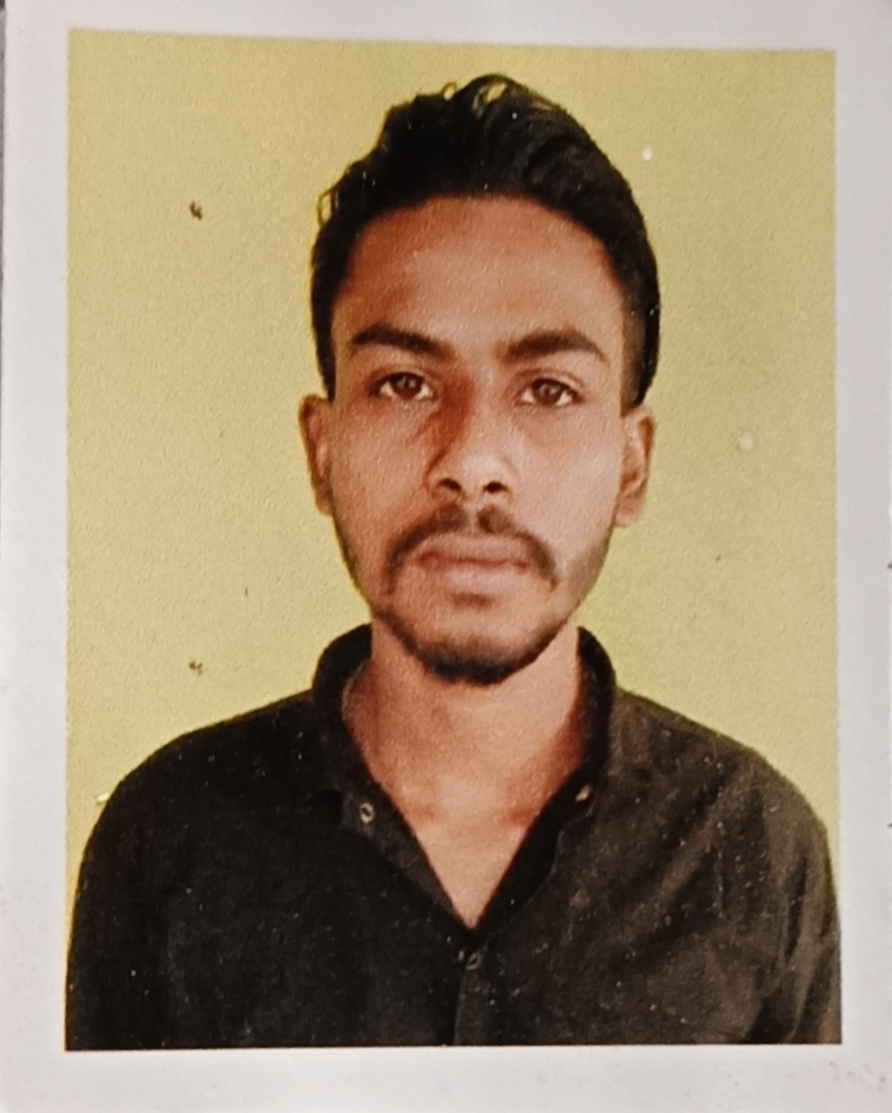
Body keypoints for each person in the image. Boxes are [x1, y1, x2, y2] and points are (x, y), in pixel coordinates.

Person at [66, 74, 839, 1048]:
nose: (473, 461)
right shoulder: (166, 838)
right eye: (404, 383)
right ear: (321, 452)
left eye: (548, 390)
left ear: (630, 466)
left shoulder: (755, 854)